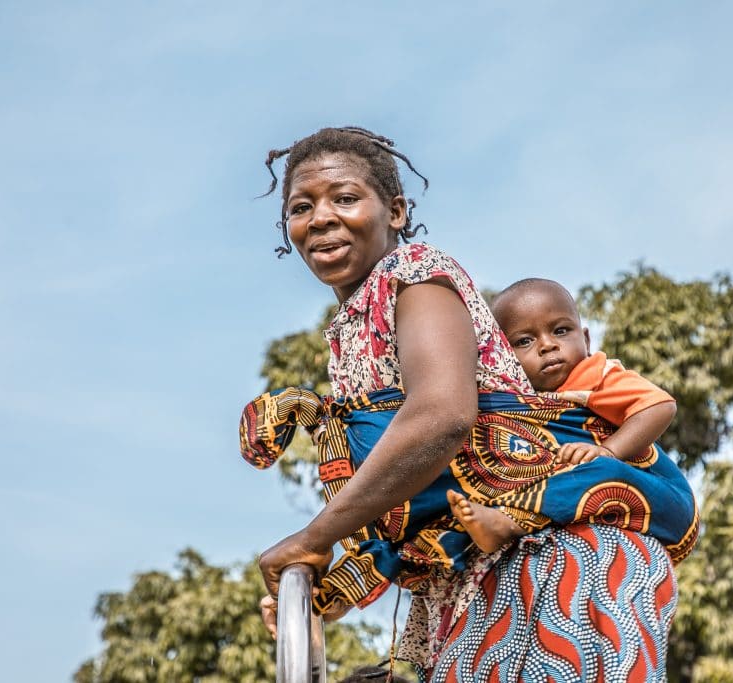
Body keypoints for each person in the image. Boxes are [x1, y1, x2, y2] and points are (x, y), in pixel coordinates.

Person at [247, 126, 697, 682]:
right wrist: (333, 592)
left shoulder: (414, 278)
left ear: (394, 211)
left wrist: (315, 537)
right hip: (484, 578)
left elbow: (443, 418)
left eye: (345, 198)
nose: (319, 218)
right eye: (301, 207)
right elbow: (424, 502)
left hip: (559, 563)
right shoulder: (355, 327)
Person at [446, 277, 679, 553]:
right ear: (503, 359)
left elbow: (659, 405)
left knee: (598, 468)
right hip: (613, 517)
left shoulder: (596, 375)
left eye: (561, 330)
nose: (547, 345)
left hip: (665, 499)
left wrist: (609, 451)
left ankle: (509, 524)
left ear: (586, 339)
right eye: (524, 341)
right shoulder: (516, 404)